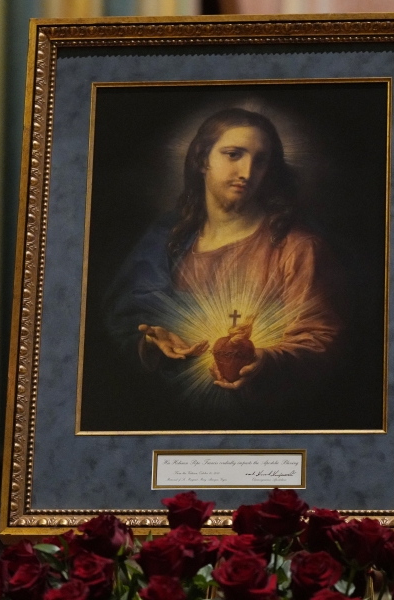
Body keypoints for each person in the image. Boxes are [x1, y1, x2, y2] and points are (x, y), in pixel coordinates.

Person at [104, 108, 340, 398]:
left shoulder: (297, 247)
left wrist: (266, 361)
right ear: (202, 160)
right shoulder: (166, 239)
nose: (247, 172)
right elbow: (123, 319)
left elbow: (320, 339)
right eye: (233, 154)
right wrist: (151, 342)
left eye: (260, 161)